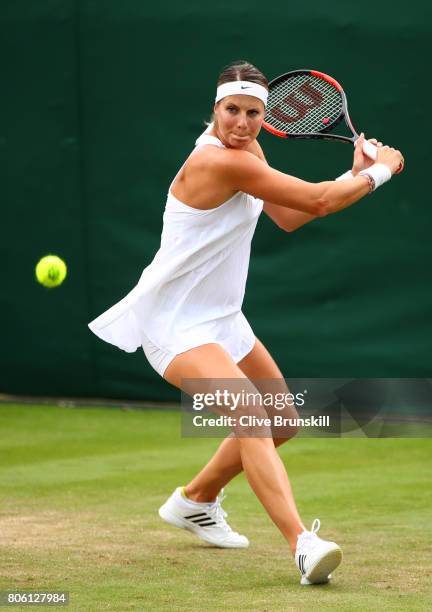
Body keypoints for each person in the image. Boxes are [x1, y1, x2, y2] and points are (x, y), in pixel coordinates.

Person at [88, 60, 404, 585]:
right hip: (175, 324)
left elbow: (291, 213)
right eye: (231, 110)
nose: (241, 122)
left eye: (253, 113)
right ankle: (303, 543)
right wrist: (381, 170)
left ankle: (196, 501)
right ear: (214, 109)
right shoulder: (218, 162)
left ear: (265, 115)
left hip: (222, 319)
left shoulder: (249, 152)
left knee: (281, 422)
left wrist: (354, 175)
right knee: (253, 416)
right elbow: (320, 202)